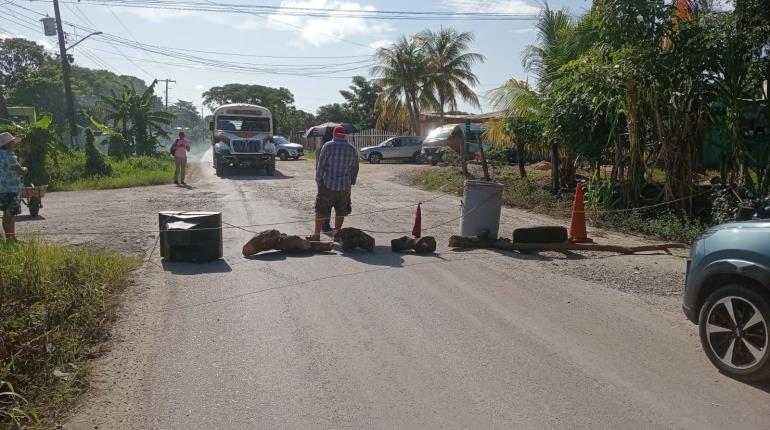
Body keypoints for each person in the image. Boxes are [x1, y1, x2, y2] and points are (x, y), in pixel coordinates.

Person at [310, 125, 358, 241]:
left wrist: (319, 180)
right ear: (344, 135)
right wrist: (351, 181)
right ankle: (337, 235)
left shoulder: (327, 146)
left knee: (321, 210)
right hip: (344, 187)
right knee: (341, 211)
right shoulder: (352, 149)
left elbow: (321, 165)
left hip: (327, 185)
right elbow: (355, 167)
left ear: (334, 135)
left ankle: (316, 235)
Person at [0, 132, 28, 241]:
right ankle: (11, 239)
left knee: (7, 214)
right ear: (6, 144)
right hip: (10, 189)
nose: (14, 144)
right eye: (12, 142)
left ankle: (11, 238)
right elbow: (19, 170)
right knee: (10, 215)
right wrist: (25, 169)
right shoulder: (7, 155)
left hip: (1, 189)